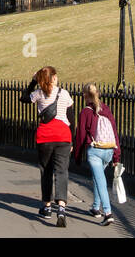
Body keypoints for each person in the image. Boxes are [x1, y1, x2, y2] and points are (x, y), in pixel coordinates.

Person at [19, 65, 74, 227]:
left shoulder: (38, 94)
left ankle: (47, 206)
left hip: (45, 137)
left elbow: (23, 98)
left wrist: (33, 81)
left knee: (46, 171)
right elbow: (71, 119)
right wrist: (73, 141)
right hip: (63, 136)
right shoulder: (64, 94)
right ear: (54, 78)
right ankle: (62, 208)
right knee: (62, 171)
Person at [72, 83, 121, 225]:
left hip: (95, 151)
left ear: (84, 96)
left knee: (100, 181)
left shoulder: (86, 112)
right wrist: (116, 155)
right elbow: (114, 132)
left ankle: (108, 213)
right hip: (109, 150)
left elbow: (80, 136)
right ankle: (95, 207)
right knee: (97, 177)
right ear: (98, 93)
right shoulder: (106, 109)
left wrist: (77, 155)